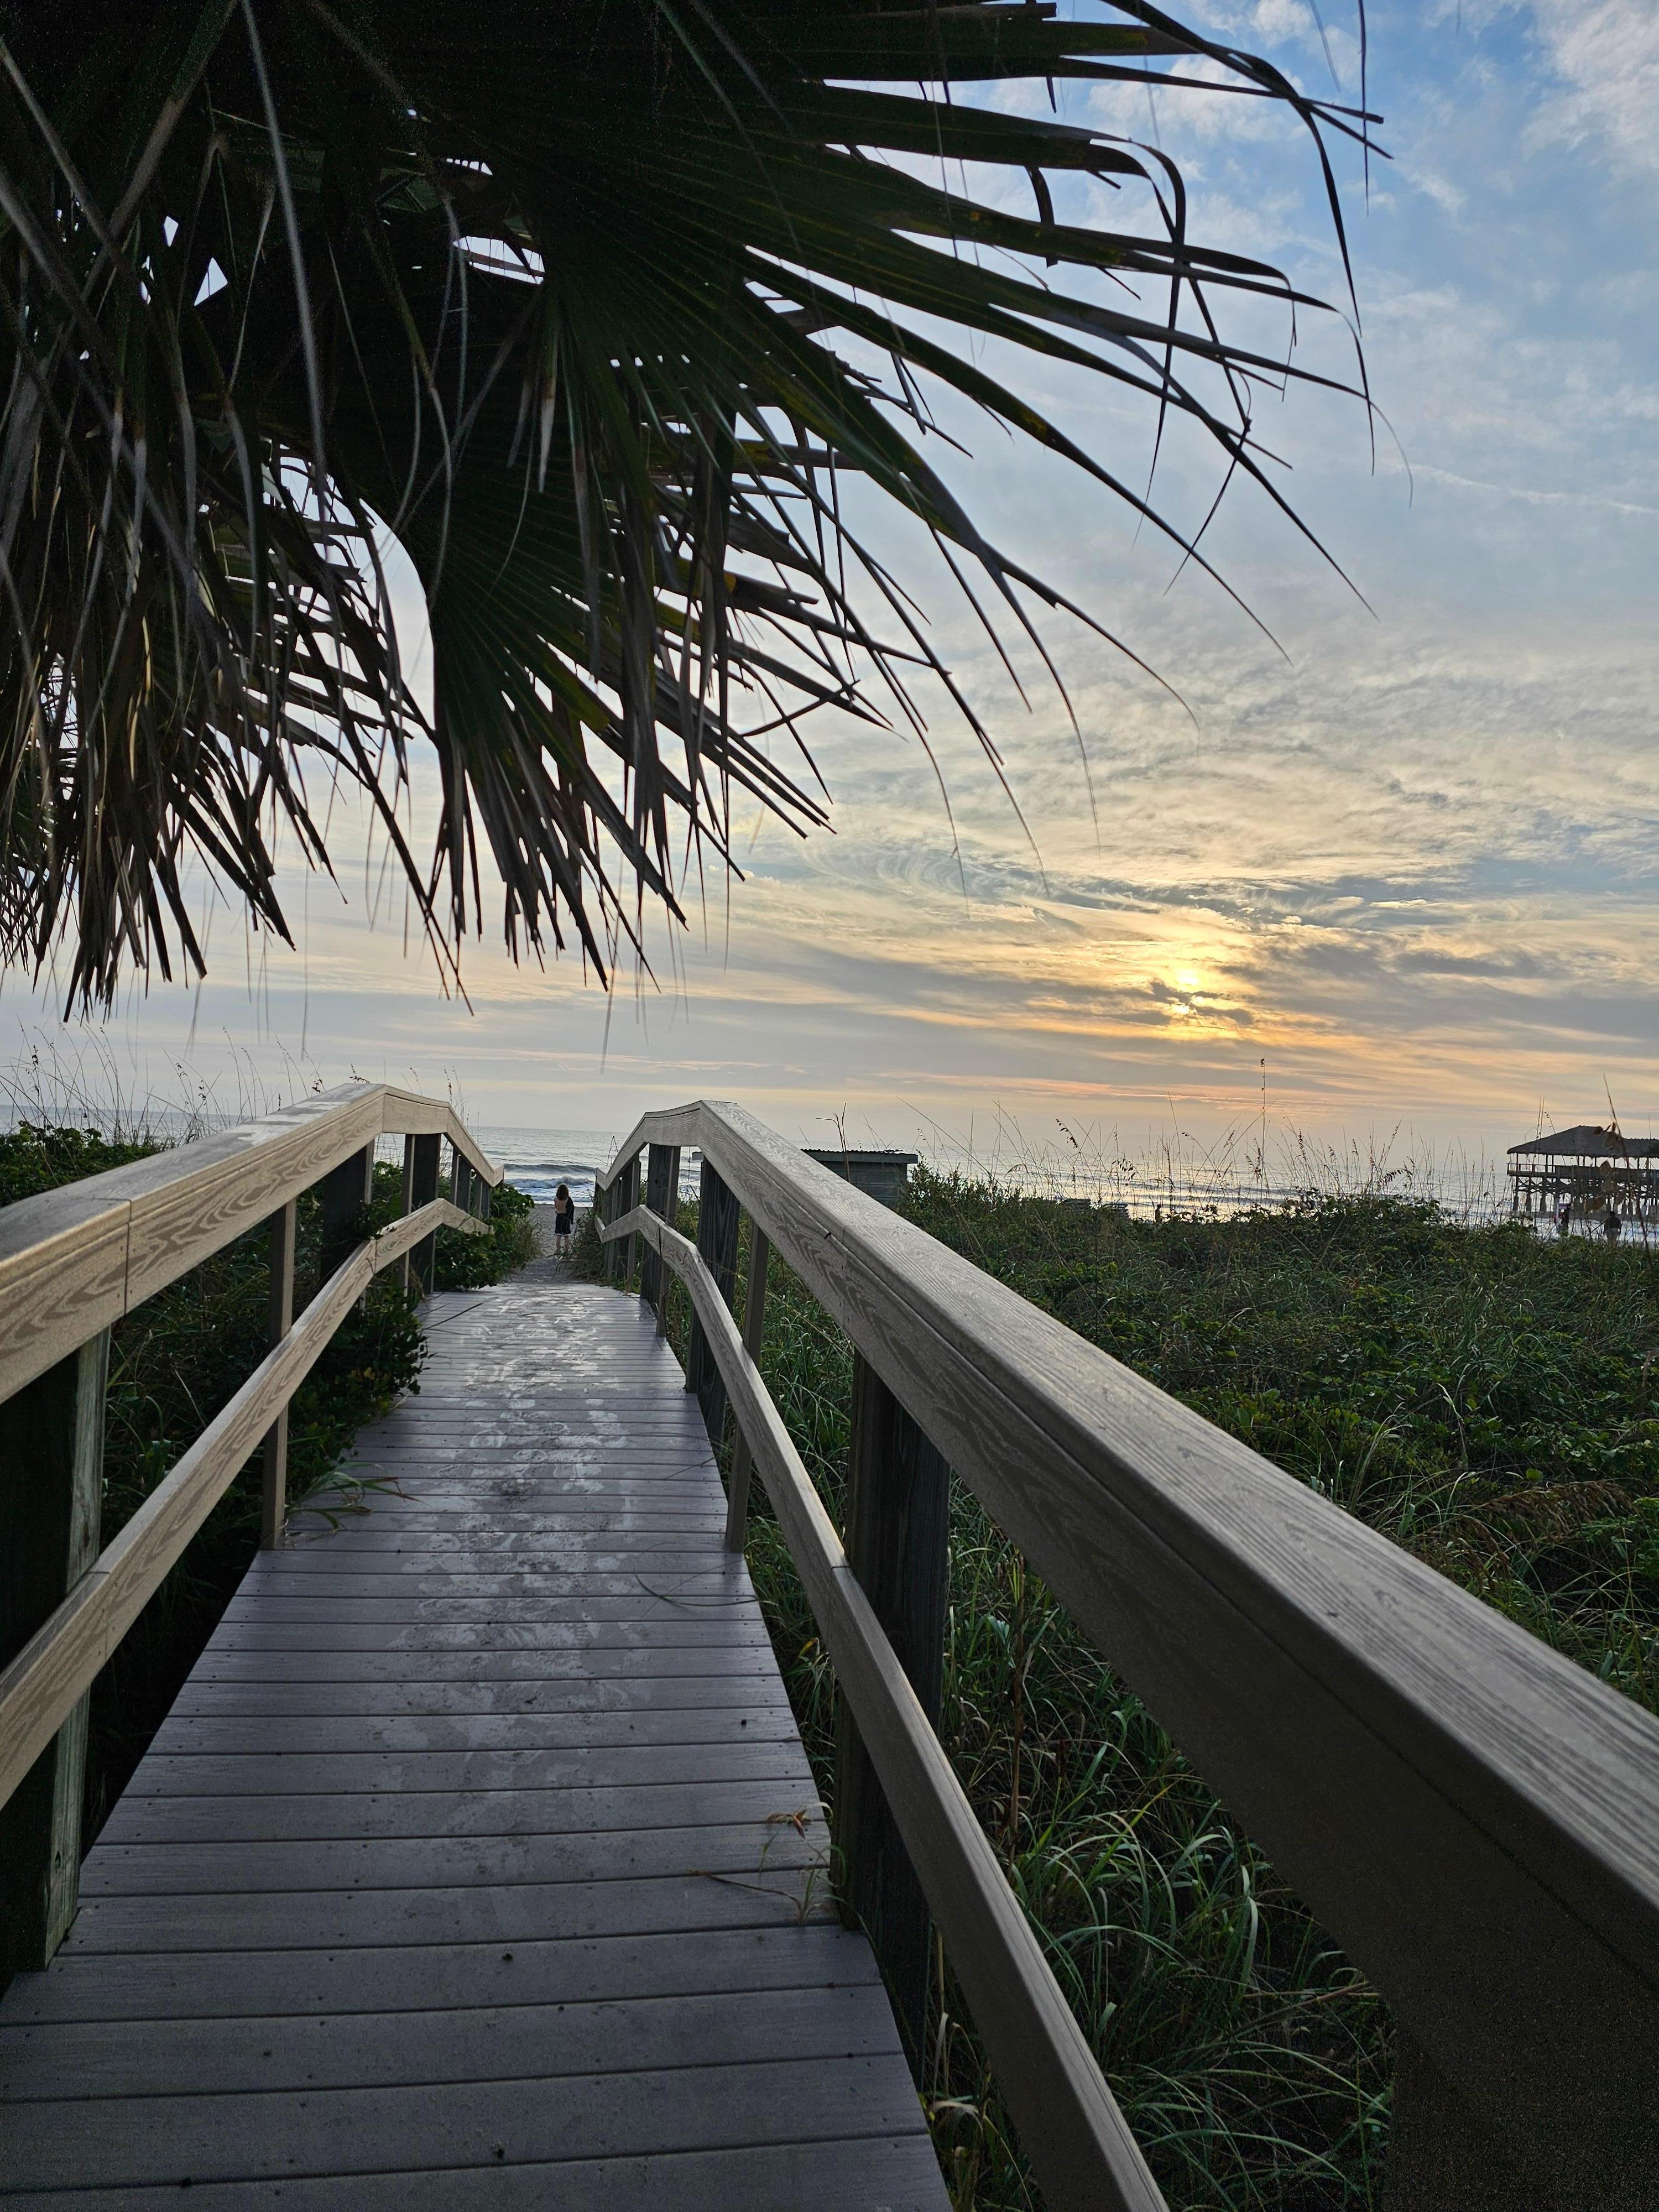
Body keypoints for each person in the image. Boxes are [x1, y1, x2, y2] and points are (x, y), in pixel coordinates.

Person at [552, 1182, 576, 1260]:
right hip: (566, 1218)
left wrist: (557, 1211)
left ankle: (558, 1250)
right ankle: (566, 1251)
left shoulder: (556, 1200)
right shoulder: (568, 1200)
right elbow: (571, 1211)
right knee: (566, 1237)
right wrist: (571, 1220)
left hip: (559, 1217)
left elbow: (557, 1209)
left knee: (558, 1235)